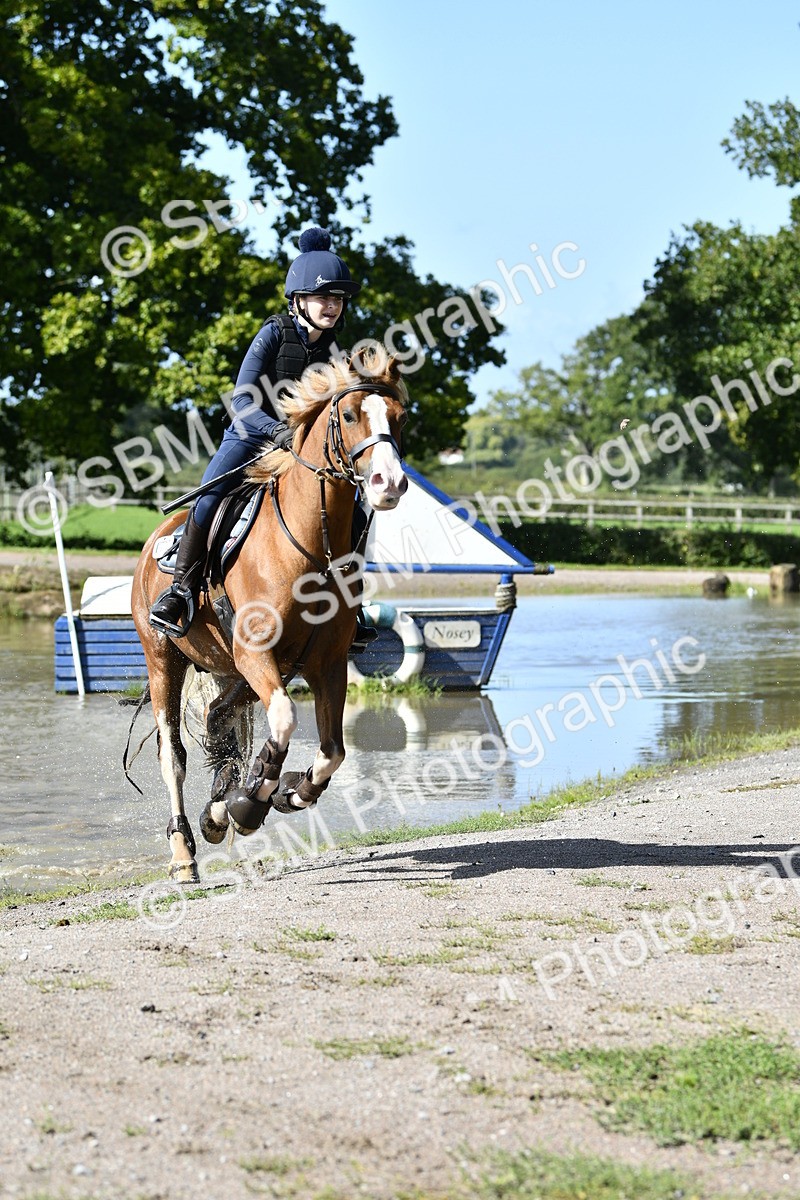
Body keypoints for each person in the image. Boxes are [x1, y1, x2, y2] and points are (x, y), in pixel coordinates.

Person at [149, 227, 375, 645]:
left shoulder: (336, 354)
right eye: (323, 297)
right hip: (249, 437)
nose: (331, 305)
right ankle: (180, 589)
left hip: (300, 453)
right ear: (298, 300)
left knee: (355, 511)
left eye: (338, 299)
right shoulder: (272, 334)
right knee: (209, 495)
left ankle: (350, 605)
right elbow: (242, 400)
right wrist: (275, 431)